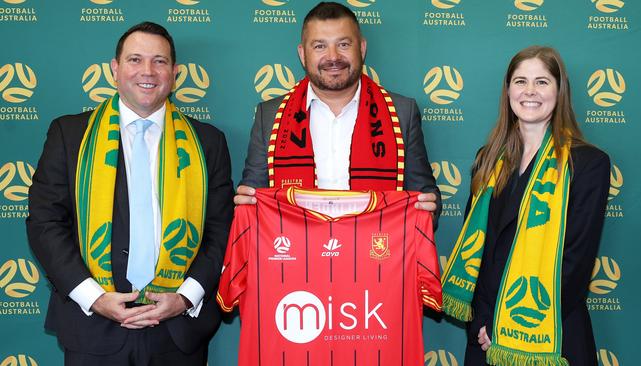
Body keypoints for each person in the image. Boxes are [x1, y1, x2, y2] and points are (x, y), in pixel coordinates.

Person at [26, 22, 234, 365]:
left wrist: (185, 298)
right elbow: (45, 223)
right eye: (135, 60)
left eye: (159, 61)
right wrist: (94, 297)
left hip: (177, 332)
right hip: (91, 327)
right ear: (115, 68)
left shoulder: (207, 142)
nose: (147, 72)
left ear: (175, 72)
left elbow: (221, 229)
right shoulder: (69, 134)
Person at [441, 46, 609, 366]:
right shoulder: (487, 160)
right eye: (520, 81)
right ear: (508, 91)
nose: (530, 91)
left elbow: (574, 263)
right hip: (485, 334)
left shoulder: (588, 164)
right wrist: (484, 322)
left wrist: (508, 327)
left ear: (560, 91)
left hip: (549, 334)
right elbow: (478, 253)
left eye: (542, 82)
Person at [235, 1, 441, 222]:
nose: (333, 57)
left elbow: (426, 195)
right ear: (303, 54)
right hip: (295, 252)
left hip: (375, 251)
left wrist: (428, 206)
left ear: (361, 49)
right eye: (319, 46)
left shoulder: (402, 112)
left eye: (343, 44)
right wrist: (247, 202)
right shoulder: (270, 115)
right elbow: (253, 195)